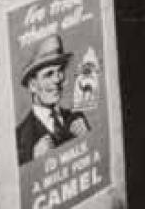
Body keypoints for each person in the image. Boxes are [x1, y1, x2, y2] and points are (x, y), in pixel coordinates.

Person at [15, 34, 90, 164]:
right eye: (49, 74)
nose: (57, 79)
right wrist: (33, 160)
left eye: (59, 71)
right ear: (32, 85)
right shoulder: (19, 137)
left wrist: (88, 139)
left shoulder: (77, 118)